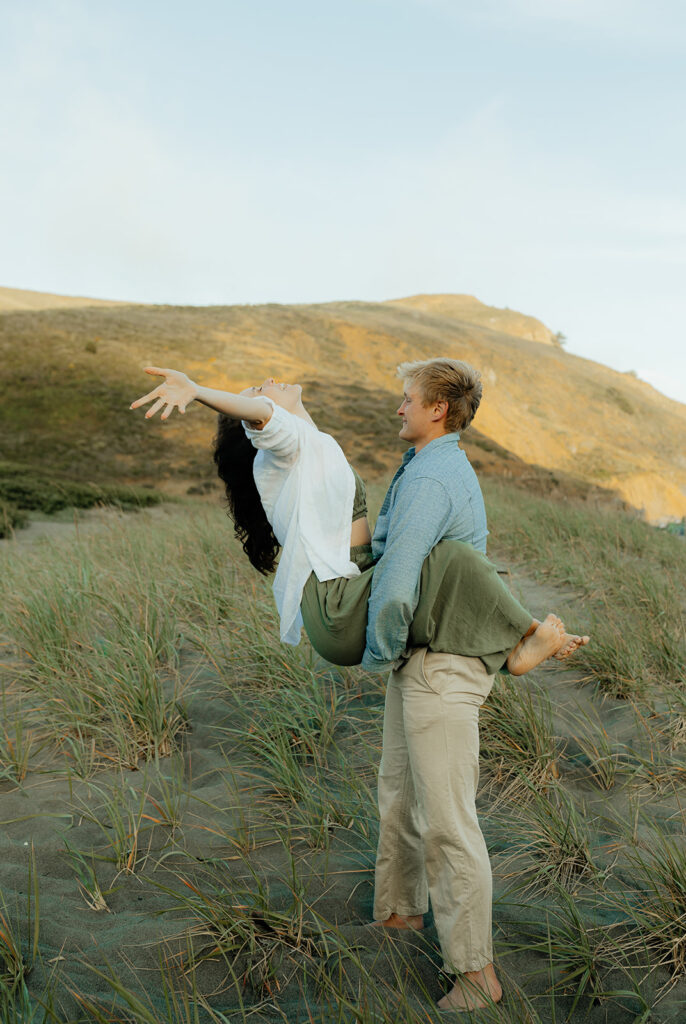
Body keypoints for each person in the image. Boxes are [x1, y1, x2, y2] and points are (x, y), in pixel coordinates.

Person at [131, 362, 589, 1011]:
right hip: (361, 617)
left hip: (405, 639)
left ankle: (448, 952)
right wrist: (204, 393)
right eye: (258, 389)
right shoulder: (287, 440)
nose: (268, 381)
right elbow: (271, 424)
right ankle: (519, 643)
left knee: (412, 801)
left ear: (435, 410)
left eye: (409, 399)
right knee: (453, 565)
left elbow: (334, 484)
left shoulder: (319, 449)